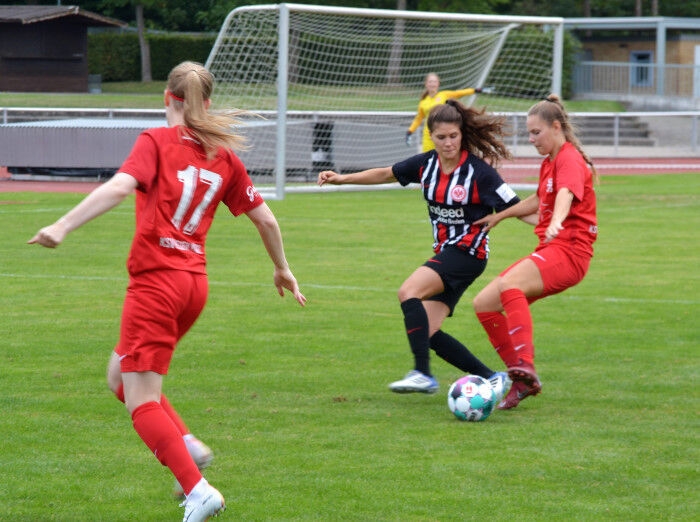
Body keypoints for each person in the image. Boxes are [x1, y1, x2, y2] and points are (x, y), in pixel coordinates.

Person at [28, 61, 306, 522]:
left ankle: (198, 491)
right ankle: (186, 446)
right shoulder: (224, 157)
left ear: (166, 98)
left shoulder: (156, 141)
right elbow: (266, 219)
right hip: (193, 286)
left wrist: (62, 225)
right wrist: (282, 268)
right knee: (120, 376)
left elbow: (120, 187)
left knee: (141, 399)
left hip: (156, 284)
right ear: (206, 104)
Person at [318, 99, 522, 402]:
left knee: (408, 291)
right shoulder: (426, 164)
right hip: (446, 253)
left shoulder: (480, 173)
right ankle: (493, 377)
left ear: (461, 134)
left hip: (468, 253)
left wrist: (554, 220)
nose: (448, 142)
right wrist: (341, 178)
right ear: (431, 136)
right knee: (427, 331)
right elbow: (386, 173)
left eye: (453, 136)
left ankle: (423, 374)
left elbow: (518, 207)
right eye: (441, 137)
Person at [472, 94, 598, 410]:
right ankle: (521, 381)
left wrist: (556, 220)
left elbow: (565, 193)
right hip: (553, 248)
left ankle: (525, 365)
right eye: (529, 133)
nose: (532, 139)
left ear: (556, 127)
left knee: (510, 285)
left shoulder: (569, 158)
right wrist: (501, 215)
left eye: (536, 132)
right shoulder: (549, 163)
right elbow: (538, 200)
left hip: (570, 252)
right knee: (484, 304)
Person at [406, 72, 487, 153]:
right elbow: (419, 118)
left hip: (442, 132)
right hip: (428, 135)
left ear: (438, 84)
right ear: (426, 84)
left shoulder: (444, 95)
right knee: (428, 156)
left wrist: (474, 90)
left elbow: (459, 93)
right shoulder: (423, 101)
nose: (432, 84)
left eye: (434, 82)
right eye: (430, 82)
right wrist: (410, 130)